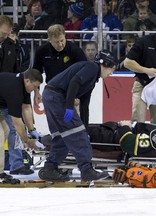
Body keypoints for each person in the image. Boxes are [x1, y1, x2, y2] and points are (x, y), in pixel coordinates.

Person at [40, 50, 117, 182]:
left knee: (62, 136)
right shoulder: (92, 67)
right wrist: (69, 107)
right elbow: (74, 82)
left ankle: (49, 168)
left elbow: (84, 104)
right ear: (104, 64)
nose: (111, 73)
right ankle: (86, 170)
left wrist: (85, 128)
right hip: (58, 97)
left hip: (50, 95)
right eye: (111, 69)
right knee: (77, 134)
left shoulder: (92, 79)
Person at [33, 24, 88, 124]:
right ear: (49, 40)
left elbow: (85, 73)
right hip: (52, 92)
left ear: (65, 36)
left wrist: (78, 94)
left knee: (74, 124)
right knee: (55, 124)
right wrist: (36, 92)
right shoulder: (42, 51)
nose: (60, 44)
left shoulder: (75, 51)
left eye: (62, 40)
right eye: (56, 42)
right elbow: (36, 73)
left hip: (71, 92)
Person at [0, 69, 43, 175]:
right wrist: (27, 141)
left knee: (10, 131)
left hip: (2, 103)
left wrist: (32, 130)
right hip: (4, 102)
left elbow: (26, 108)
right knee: (1, 135)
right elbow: (16, 120)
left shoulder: (25, 87)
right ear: (27, 81)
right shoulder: (15, 90)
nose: (34, 90)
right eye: (34, 86)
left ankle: (16, 166)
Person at [88, 120, 156, 156]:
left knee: (76, 130)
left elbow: (130, 144)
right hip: (109, 130)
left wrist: (125, 126)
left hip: (108, 137)